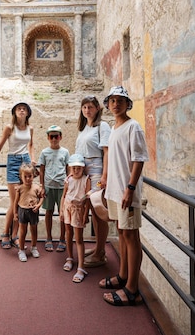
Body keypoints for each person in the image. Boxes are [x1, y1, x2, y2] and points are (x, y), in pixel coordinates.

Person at [99, 86, 149, 306]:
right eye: (112, 100)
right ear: (108, 104)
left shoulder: (133, 127)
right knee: (121, 232)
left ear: (127, 104)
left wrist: (130, 188)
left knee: (131, 236)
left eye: (120, 100)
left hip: (126, 192)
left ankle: (132, 289)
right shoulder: (113, 128)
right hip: (115, 191)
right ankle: (123, 276)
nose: (116, 104)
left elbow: (139, 159)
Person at [0, 102, 36, 249]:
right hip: (13, 161)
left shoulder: (30, 128)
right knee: (14, 202)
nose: (22, 111)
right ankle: (5, 232)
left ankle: (14, 235)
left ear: (28, 113)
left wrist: (33, 158)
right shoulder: (10, 128)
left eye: (24, 109)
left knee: (22, 201)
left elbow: (30, 145)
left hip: (26, 163)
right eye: (19, 108)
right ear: (15, 112)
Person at [74, 95, 111, 267]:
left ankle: (100, 252)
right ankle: (98, 248)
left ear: (97, 108)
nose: (87, 110)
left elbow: (107, 151)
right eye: (84, 107)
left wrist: (105, 176)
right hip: (83, 171)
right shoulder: (83, 129)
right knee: (88, 210)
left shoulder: (102, 126)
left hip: (96, 170)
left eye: (90, 107)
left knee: (98, 211)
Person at [38, 125, 70, 253]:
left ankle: (62, 238)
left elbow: (68, 169)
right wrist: (42, 186)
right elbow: (41, 170)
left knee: (62, 214)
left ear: (60, 137)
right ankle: (49, 238)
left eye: (56, 136)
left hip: (62, 186)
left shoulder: (65, 152)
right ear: (48, 138)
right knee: (48, 212)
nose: (54, 139)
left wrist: (68, 185)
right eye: (51, 136)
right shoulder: (44, 152)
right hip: (48, 186)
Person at [61, 154, 91, 283]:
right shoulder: (68, 179)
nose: (76, 170)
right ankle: (70, 257)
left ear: (83, 168)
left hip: (79, 209)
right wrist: (62, 210)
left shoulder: (86, 180)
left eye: (79, 168)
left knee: (79, 238)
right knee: (68, 233)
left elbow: (87, 199)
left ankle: (81, 267)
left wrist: (85, 214)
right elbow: (64, 195)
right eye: (73, 168)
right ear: (69, 168)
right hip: (68, 207)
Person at [14, 163, 44, 261]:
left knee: (34, 230)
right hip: (22, 210)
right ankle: (21, 250)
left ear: (33, 175)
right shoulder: (20, 188)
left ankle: (34, 247)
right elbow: (16, 202)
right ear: (21, 177)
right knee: (22, 231)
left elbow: (42, 198)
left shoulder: (36, 188)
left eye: (30, 176)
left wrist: (38, 205)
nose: (27, 179)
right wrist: (15, 213)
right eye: (25, 176)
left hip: (33, 211)